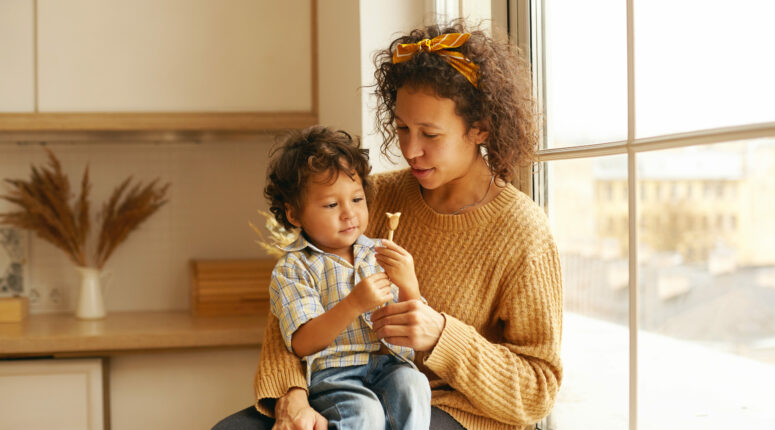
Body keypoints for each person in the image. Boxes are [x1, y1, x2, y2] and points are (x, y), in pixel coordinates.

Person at [213, 19, 563, 430]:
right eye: (401, 128)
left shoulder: (524, 232)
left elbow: (539, 388)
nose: (410, 150)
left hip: (452, 411)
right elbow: (290, 312)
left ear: (480, 128)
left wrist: (442, 337)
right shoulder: (367, 199)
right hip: (342, 388)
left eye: (430, 134)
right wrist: (293, 395)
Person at [264, 125, 431, 430]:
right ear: (294, 214)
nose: (349, 213)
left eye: (357, 200)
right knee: (364, 411)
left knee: (413, 384)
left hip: (388, 366)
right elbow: (301, 343)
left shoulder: (380, 252)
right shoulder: (294, 268)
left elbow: (411, 329)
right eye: (331, 205)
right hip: (334, 376)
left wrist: (409, 284)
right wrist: (354, 304)